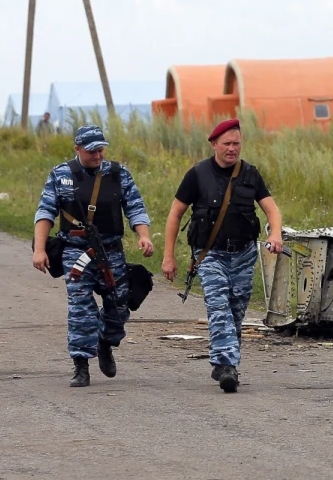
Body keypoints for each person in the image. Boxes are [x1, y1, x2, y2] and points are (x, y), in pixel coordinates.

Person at [161, 119, 283, 393]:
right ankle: (228, 366)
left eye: (236, 143)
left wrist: (275, 234)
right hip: (210, 255)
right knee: (219, 307)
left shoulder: (250, 174)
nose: (232, 149)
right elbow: (175, 214)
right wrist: (169, 256)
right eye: (226, 144)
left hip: (243, 255)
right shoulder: (197, 174)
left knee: (236, 311)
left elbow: (271, 209)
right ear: (214, 144)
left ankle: (222, 362)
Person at [32, 124, 155, 387]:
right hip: (75, 251)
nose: (97, 155)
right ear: (77, 149)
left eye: (101, 150)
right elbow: (45, 212)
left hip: (110, 252)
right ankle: (81, 365)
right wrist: (39, 250)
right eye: (91, 151)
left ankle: (105, 342)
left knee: (119, 306)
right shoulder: (61, 174)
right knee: (80, 308)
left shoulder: (118, 174)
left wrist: (143, 236)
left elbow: (135, 207)